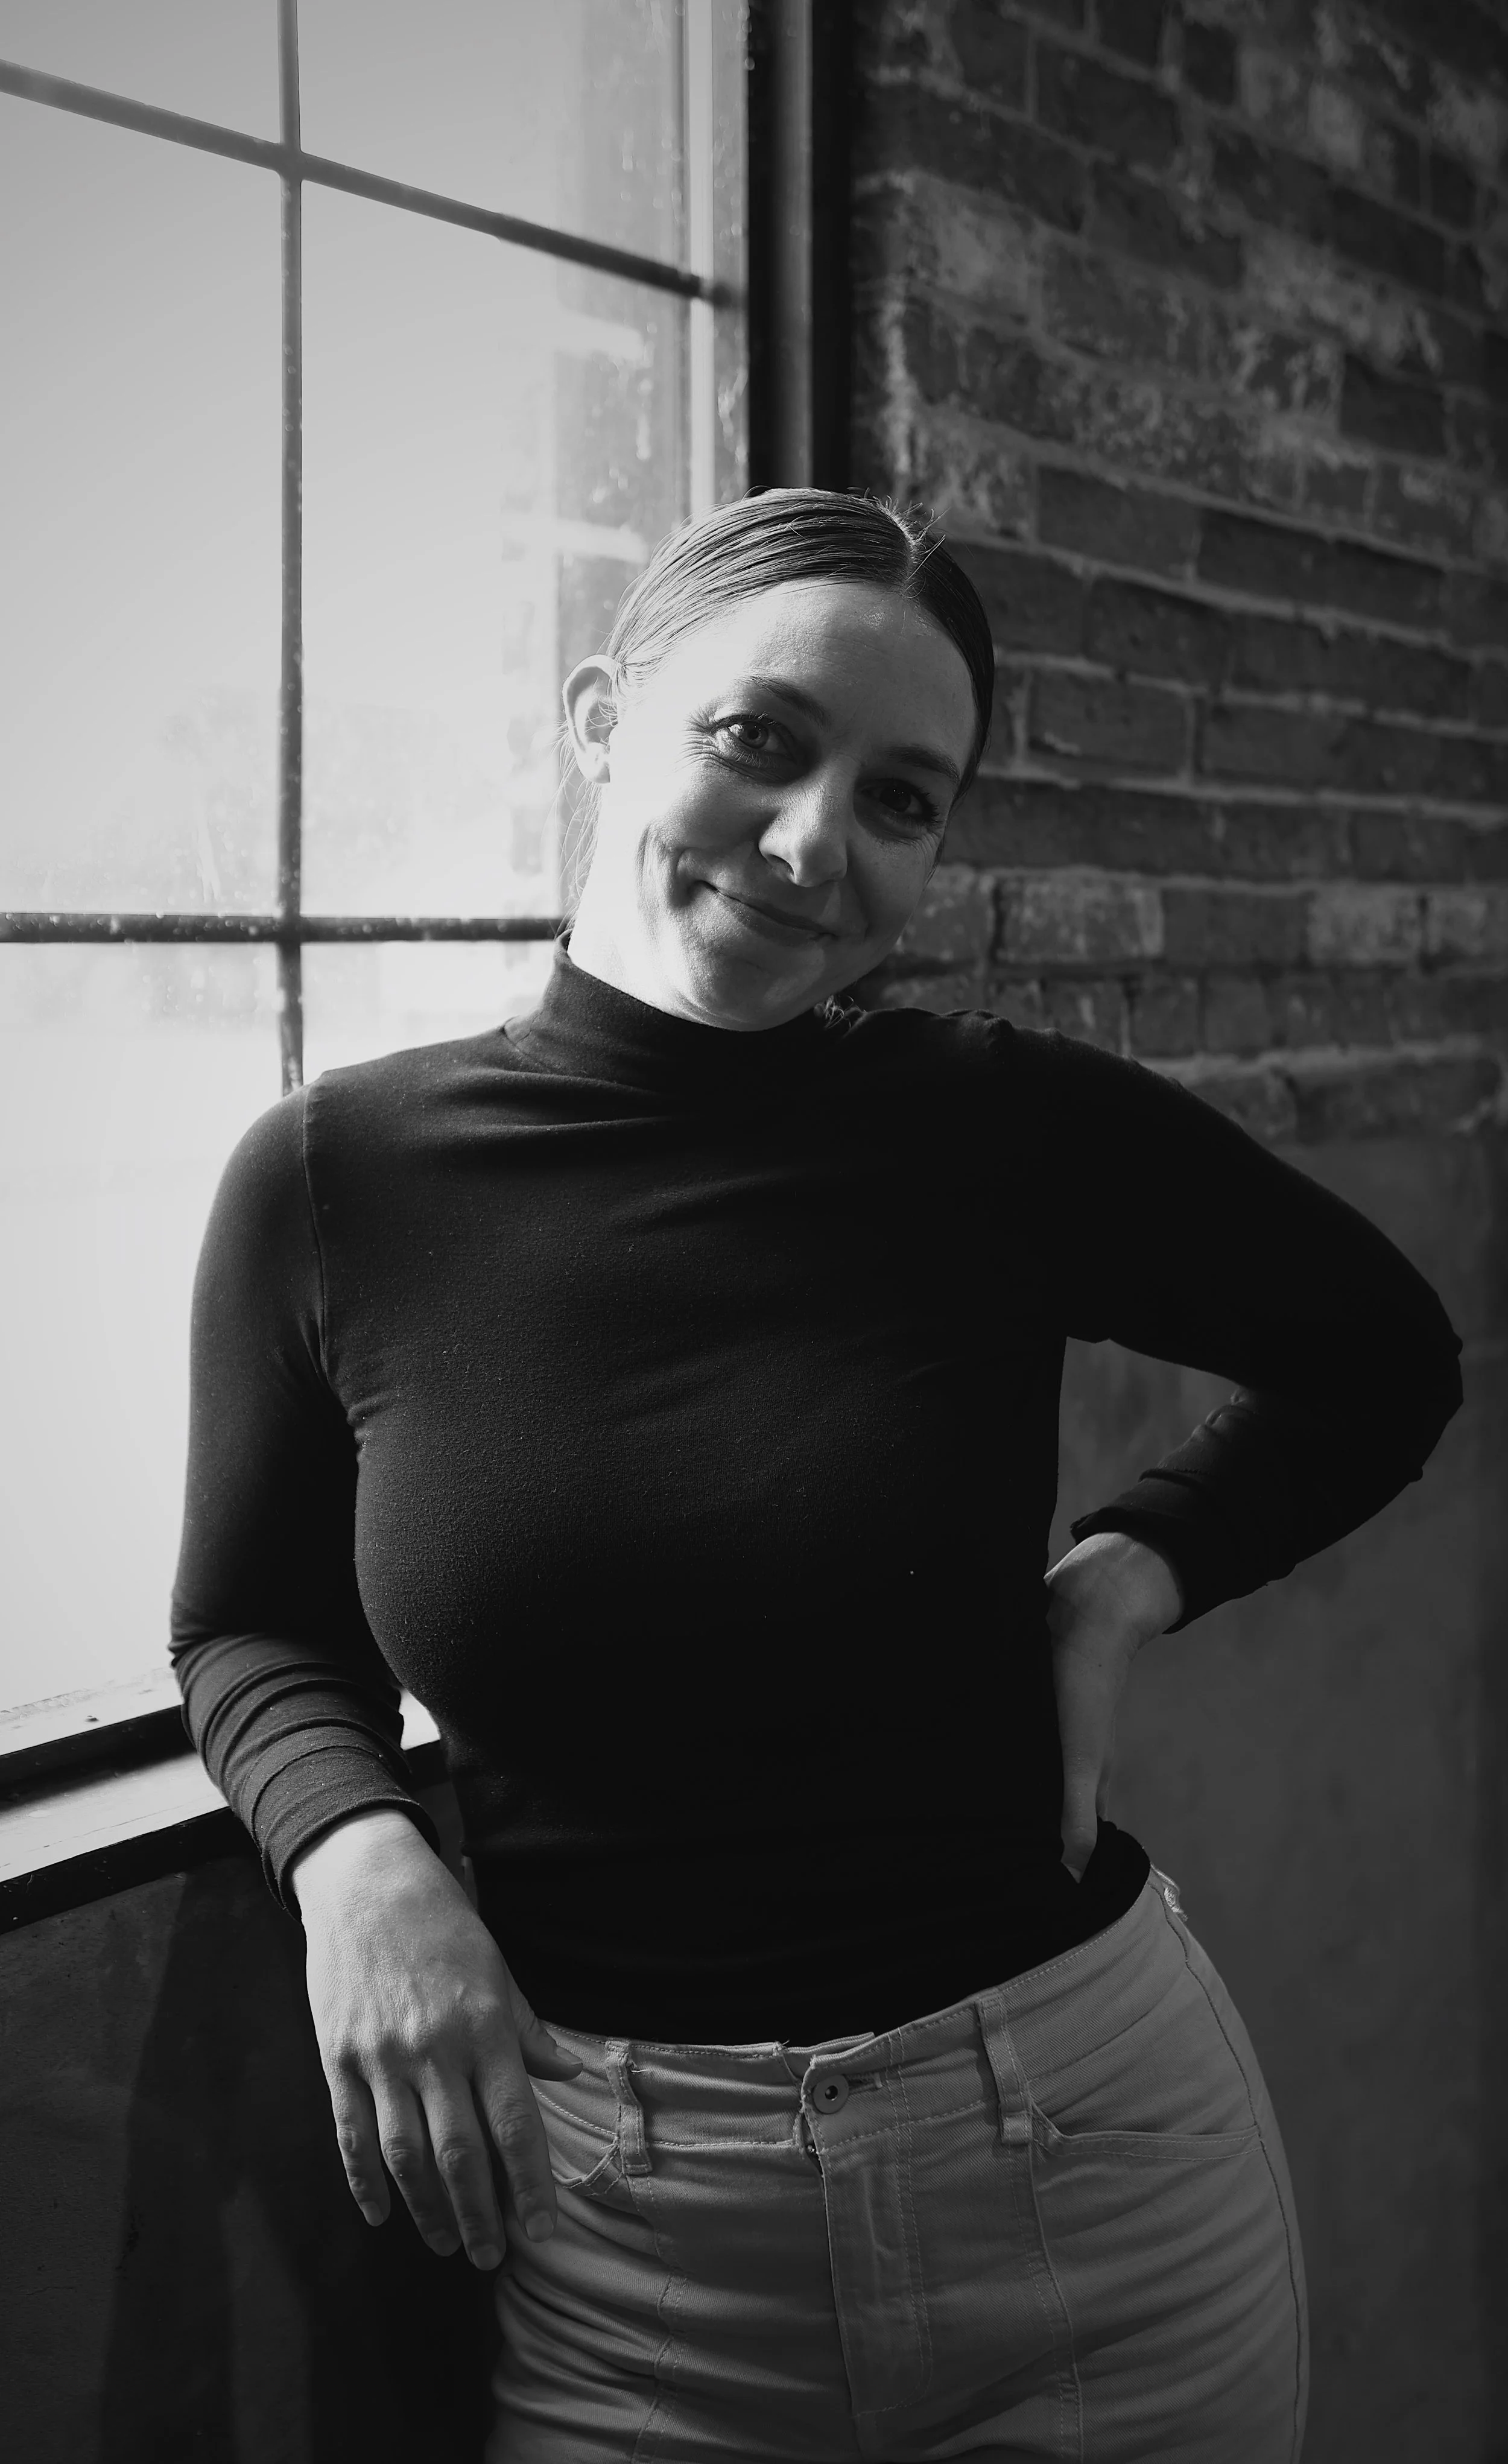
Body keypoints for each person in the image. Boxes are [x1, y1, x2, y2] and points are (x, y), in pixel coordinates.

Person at [173, 489, 1461, 2462]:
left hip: (1086, 2177)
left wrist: (1126, 1574)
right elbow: (251, 1621)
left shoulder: (999, 1127)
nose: (809, 845)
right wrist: (352, 1847)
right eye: (757, 740)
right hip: (623, 2243)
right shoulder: (337, 1180)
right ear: (601, 721)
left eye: (899, 801)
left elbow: (1382, 1356)